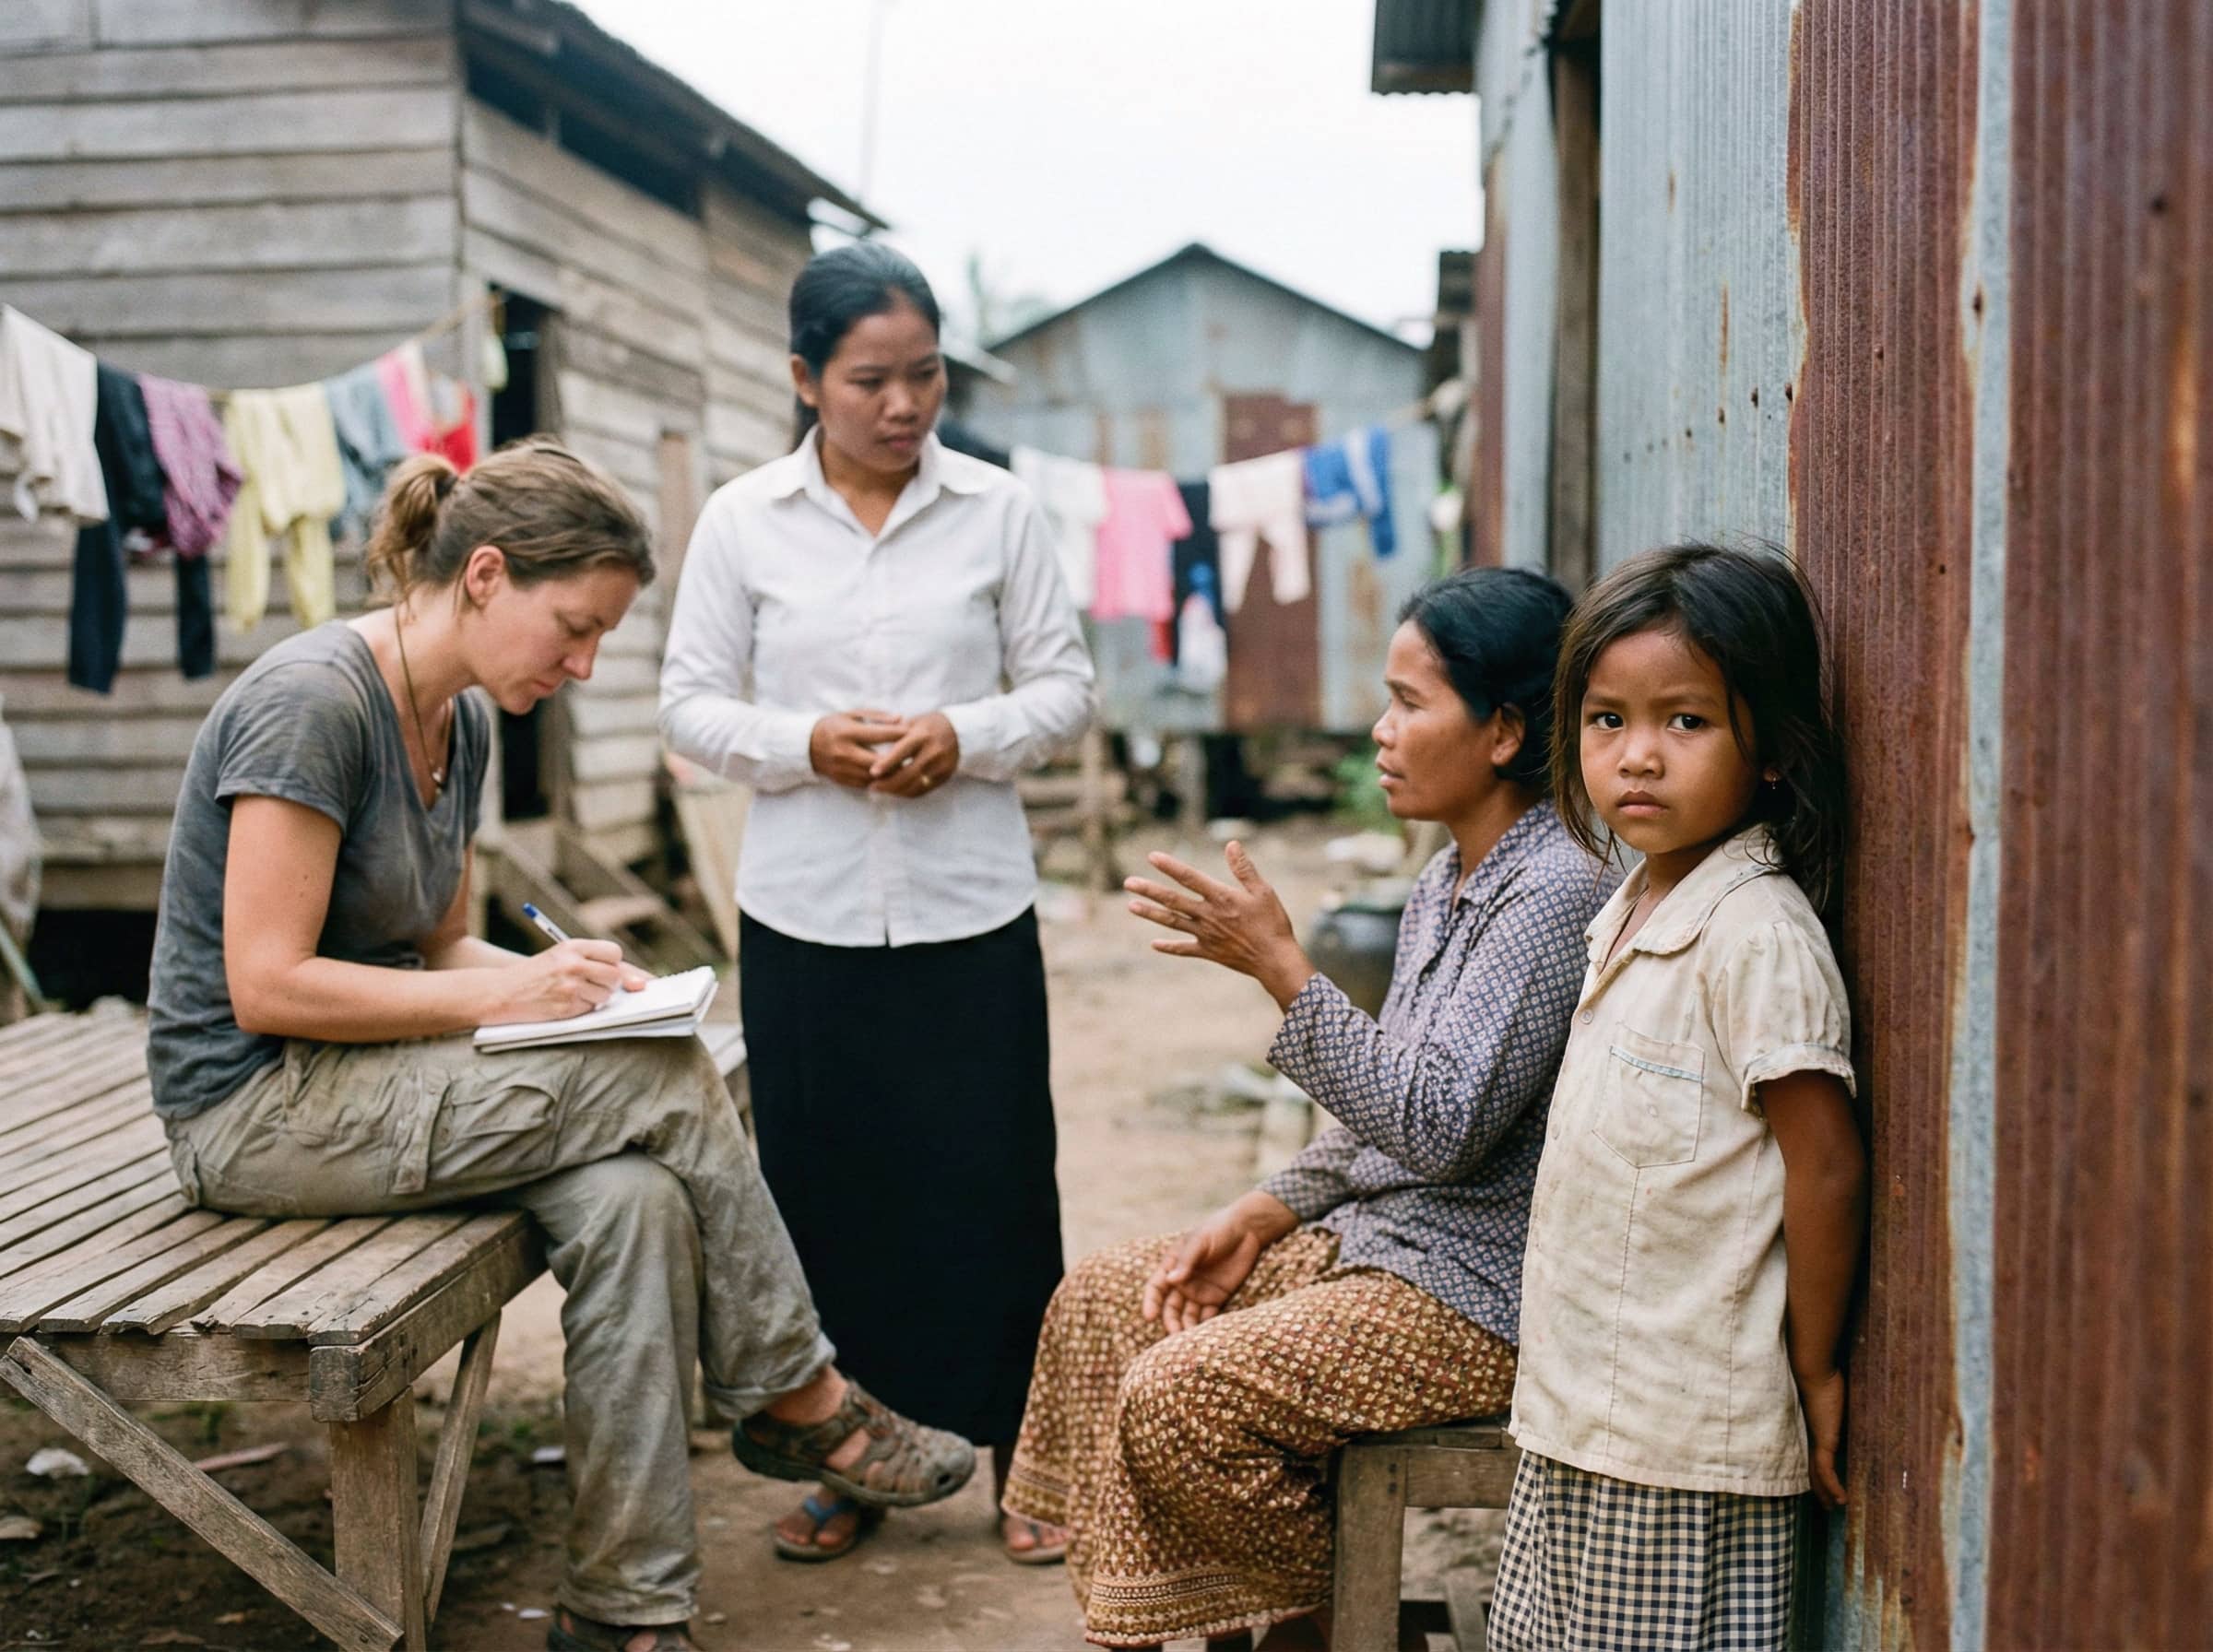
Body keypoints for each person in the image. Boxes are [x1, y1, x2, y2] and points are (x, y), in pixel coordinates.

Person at [147, 440, 977, 1652]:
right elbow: (267, 986)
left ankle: (625, 1613)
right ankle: (803, 1396)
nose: (582, 665)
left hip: (371, 1084)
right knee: (653, 1077)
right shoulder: (312, 704)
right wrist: (532, 1007)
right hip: (257, 1113)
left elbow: (436, 949)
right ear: (485, 575)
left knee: (635, 1197)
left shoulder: (463, 725)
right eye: (574, 629)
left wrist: (578, 986)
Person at [1001, 568, 1616, 1649]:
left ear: (1507, 731)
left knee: (1180, 1389)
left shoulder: (1555, 888)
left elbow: (1435, 1124)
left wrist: (1284, 970)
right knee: (1113, 1299)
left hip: (1479, 1295)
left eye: (1409, 703)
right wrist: (1264, 1207)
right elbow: (1394, 1103)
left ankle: (1309, 1629)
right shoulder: (1451, 876)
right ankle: (1213, 1621)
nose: (1380, 732)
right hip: (1385, 1248)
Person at [658, 243, 1095, 1566]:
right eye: (869, 381)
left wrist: (963, 734)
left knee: (996, 1180)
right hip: (805, 915)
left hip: (970, 906)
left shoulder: (1000, 512)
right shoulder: (743, 521)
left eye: (924, 377)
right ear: (805, 380)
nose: (903, 406)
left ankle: (1032, 1456)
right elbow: (687, 704)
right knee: (827, 1191)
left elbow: (1065, 689)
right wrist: (808, 745)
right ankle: (856, 1464)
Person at [1489, 542, 1869, 1651]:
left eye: (1686, 722)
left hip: (1680, 1432)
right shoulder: (1632, 905)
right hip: (1579, 1412)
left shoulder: (1757, 933)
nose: (1638, 757)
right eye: (1607, 721)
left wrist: (1816, 1364)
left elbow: (1827, 1160)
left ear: (1770, 753)